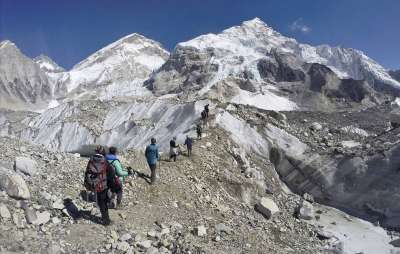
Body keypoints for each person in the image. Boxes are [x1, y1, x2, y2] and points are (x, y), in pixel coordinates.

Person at [84, 146, 115, 226]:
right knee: (104, 202)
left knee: (101, 202)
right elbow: (111, 173)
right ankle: (106, 221)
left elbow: (88, 172)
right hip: (103, 185)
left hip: (94, 184)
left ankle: (105, 218)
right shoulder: (104, 161)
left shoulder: (91, 160)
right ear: (103, 152)